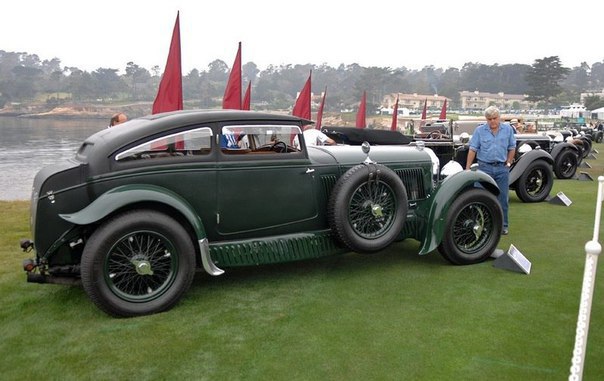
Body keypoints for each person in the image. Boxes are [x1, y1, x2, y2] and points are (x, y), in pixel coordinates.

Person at [466, 106, 516, 235]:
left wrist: (509, 162)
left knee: (503, 198)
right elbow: (473, 149)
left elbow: (512, 147)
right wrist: (467, 168)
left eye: (495, 118)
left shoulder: (508, 129)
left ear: (499, 118)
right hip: (484, 168)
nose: (492, 121)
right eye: (489, 119)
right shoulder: (479, 131)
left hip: (501, 168)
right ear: (486, 119)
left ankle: (503, 226)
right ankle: (478, 224)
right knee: (480, 197)